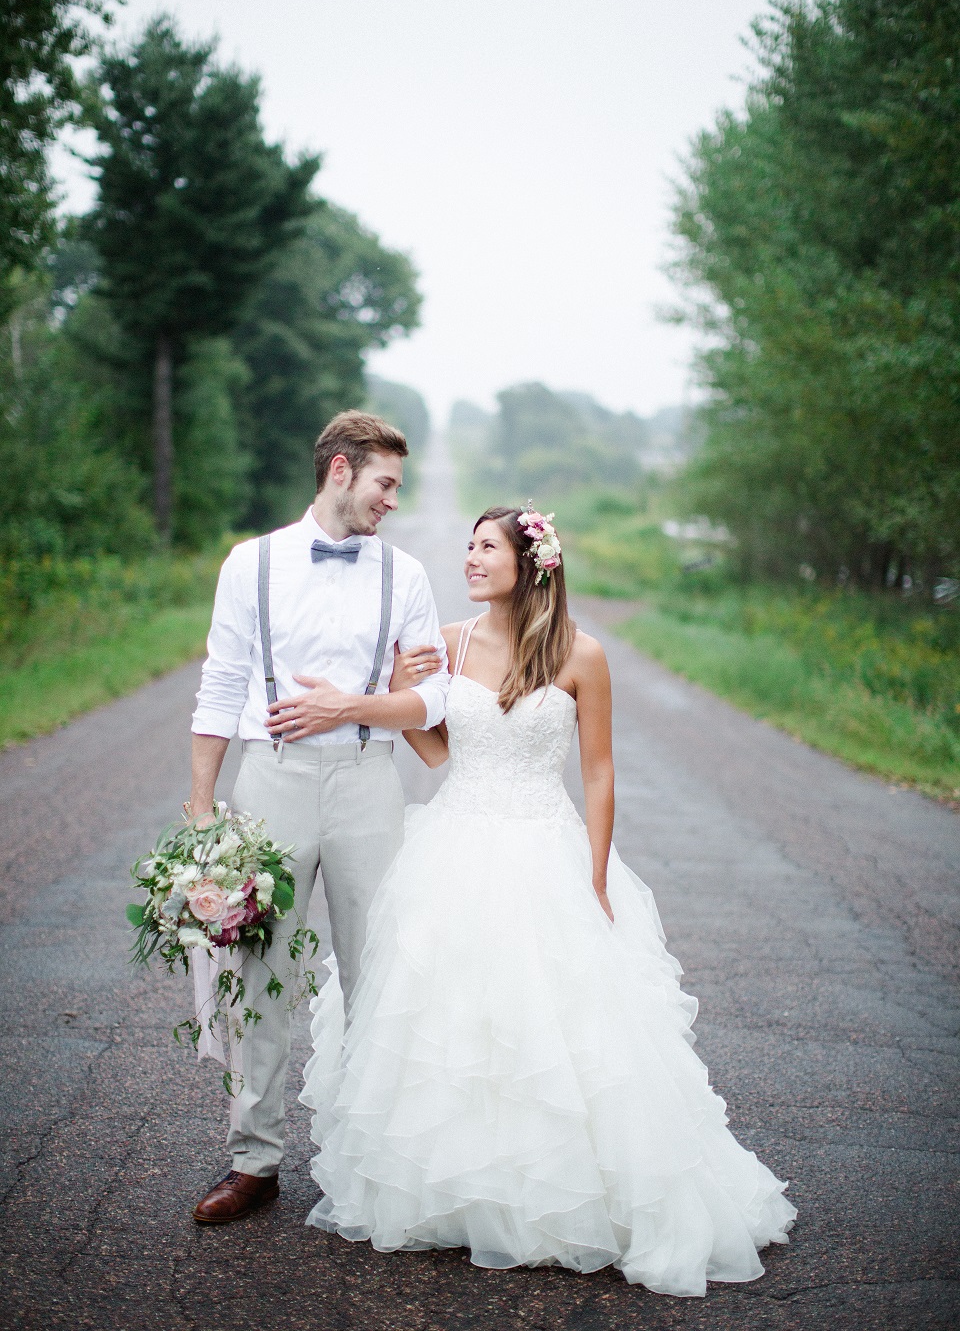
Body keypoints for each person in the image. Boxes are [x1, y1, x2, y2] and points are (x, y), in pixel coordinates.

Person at [300, 503, 796, 1296]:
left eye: (485, 547)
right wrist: (399, 687)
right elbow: (434, 753)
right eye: (467, 546)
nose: (469, 558)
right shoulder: (449, 645)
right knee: (449, 1024)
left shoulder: (581, 654)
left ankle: (559, 1197)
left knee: (560, 1029)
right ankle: (457, 1190)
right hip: (455, 843)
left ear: (531, 563)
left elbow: (598, 772)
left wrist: (596, 876)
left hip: (544, 846)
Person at [187, 411, 450, 1226]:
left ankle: (370, 1159)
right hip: (272, 783)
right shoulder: (250, 563)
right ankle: (254, 1162)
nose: (391, 501)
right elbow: (221, 681)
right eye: (384, 483)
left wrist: (352, 706)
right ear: (340, 470)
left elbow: (432, 696)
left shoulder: (403, 574)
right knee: (260, 974)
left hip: (372, 781)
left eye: (397, 488)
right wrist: (202, 804)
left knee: (378, 970)